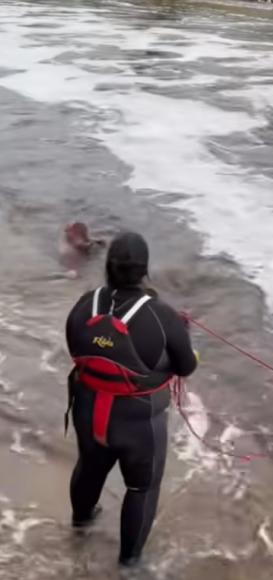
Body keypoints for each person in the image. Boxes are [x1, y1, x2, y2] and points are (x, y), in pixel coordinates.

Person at [65, 231, 198, 566]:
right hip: (137, 425)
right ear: (145, 271)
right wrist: (180, 334)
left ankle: (80, 526)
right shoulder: (162, 316)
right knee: (141, 489)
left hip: (88, 410)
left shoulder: (85, 303)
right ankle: (128, 566)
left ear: (107, 267)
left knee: (90, 467)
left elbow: (77, 349)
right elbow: (186, 366)